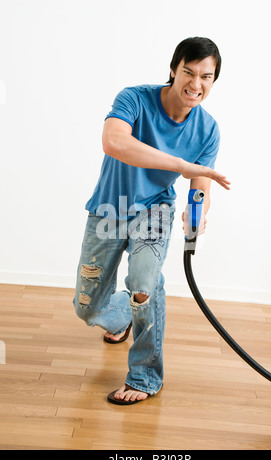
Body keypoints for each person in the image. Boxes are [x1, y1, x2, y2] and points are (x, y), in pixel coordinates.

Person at [73, 37, 230, 405]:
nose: (196, 84)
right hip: (110, 208)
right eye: (188, 72)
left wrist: (197, 215)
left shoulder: (207, 129)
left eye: (206, 76)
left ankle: (145, 377)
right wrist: (181, 164)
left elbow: (199, 185)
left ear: (214, 80)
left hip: (154, 210)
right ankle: (124, 315)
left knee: (145, 284)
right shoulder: (134, 98)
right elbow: (114, 142)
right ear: (174, 69)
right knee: (88, 308)